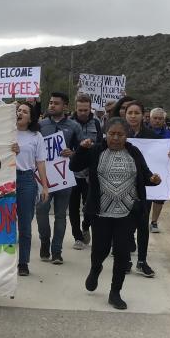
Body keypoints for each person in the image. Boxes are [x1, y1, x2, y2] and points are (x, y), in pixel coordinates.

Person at [70, 118, 161, 310]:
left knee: (122, 253)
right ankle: (95, 269)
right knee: (100, 250)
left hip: (127, 212)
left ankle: (115, 292)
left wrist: (154, 180)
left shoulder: (133, 152)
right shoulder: (96, 150)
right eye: (112, 134)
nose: (116, 138)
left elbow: (145, 175)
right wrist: (81, 149)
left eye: (120, 134)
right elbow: (74, 166)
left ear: (127, 136)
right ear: (105, 134)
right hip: (101, 212)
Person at [37, 91, 90, 265]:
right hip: (44, 178)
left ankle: (56, 251)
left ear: (65, 106)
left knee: (60, 216)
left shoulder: (74, 126)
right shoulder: (40, 125)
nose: (52, 105)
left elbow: (83, 151)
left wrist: (73, 152)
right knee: (41, 212)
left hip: (64, 178)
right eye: (50, 102)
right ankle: (45, 241)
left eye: (56, 103)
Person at [123, 101, 158, 278]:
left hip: (144, 188)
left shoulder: (151, 135)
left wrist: (168, 156)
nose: (133, 116)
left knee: (143, 225)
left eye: (137, 112)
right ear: (125, 114)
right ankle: (126, 260)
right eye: (130, 112)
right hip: (121, 189)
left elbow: (158, 157)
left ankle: (142, 261)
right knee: (125, 225)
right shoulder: (119, 134)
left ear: (143, 115)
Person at [15, 102, 49, 276]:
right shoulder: (5, 133)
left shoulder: (36, 136)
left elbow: (40, 162)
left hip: (26, 180)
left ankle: (23, 262)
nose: (20, 113)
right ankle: (4, 261)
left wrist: (45, 186)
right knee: (4, 222)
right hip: (6, 179)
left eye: (25, 111)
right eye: (18, 110)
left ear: (30, 117)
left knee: (25, 224)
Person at [70, 94, 102, 251]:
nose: (83, 112)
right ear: (75, 108)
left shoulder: (96, 124)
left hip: (90, 173)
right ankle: (77, 237)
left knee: (89, 206)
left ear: (90, 108)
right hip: (72, 173)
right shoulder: (69, 124)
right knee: (73, 206)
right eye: (80, 109)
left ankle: (85, 225)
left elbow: (102, 145)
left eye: (86, 109)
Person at [146, 108, 170, 233]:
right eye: (155, 118)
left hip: (162, 169)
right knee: (144, 196)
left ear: (164, 120)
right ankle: (142, 220)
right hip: (145, 168)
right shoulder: (143, 132)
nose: (157, 121)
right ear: (150, 118)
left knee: (159, 197)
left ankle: (154, 222)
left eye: (160, 118)